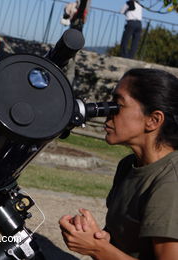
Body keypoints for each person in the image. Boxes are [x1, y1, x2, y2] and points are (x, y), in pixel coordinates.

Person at [59, 68, 178, 260]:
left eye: (118, 104)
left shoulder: (171, 183)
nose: (107, 111)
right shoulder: (129, 166)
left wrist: (97, 249)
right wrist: (98, 236)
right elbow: (125, 243)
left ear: (153, 120)